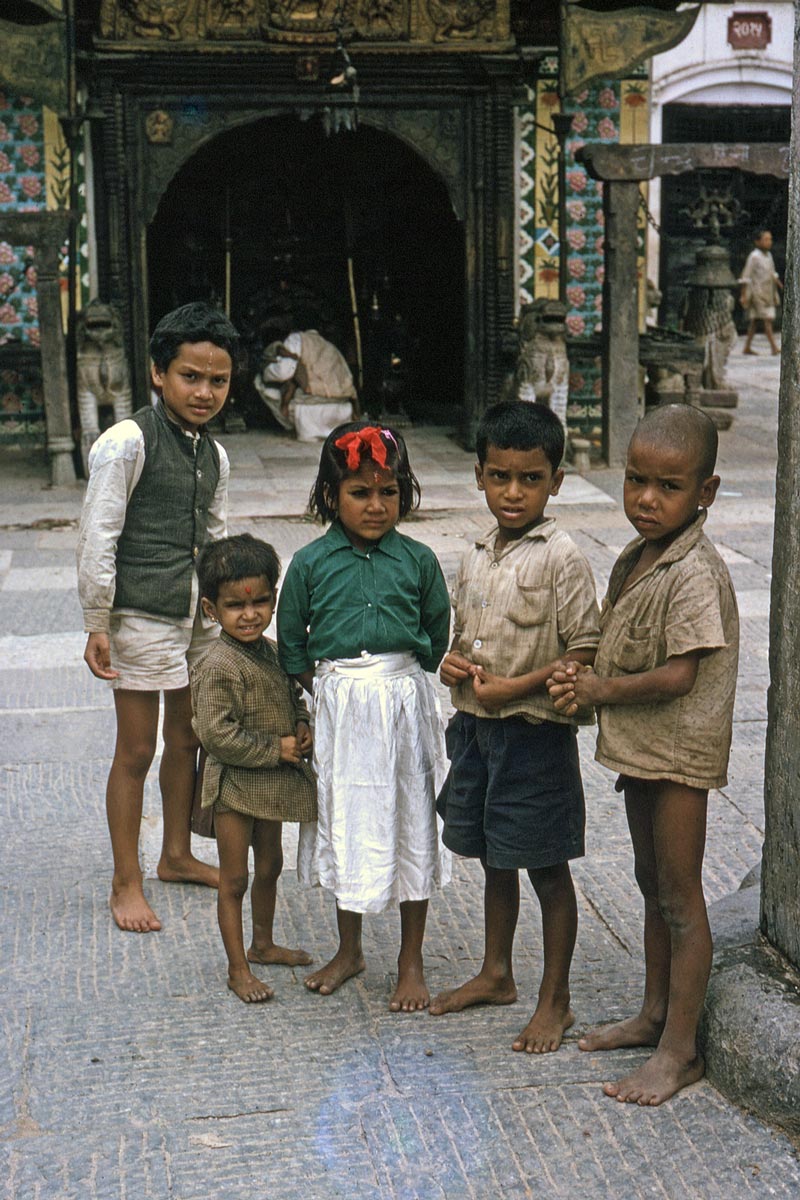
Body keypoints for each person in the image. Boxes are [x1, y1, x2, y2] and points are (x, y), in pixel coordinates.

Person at [547, 403, 739, 1106]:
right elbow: (617, 638)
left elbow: (678, 676)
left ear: (705, 494)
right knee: (651, 882)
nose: (647, 500)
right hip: (643, 748)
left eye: (668, 487)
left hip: (680, 752)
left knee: (682, 898)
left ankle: (679, 1051)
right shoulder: (639, 554)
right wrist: (578, 668)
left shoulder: (693, 570)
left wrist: (598, 689)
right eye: (635, 481)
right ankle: (655, 1013)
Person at [429, 401, 600, 1053]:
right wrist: (450, 663)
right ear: (479, 475)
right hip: (476, 732)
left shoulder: (562, 558)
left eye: (530, 478)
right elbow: (462, 634)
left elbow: (584, 651)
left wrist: (518, 686)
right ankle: (496, 973)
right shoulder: (476, 552)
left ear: (556, 480)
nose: (513, 492)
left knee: (545, 867)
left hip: (534, 737)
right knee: (492, 856)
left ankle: (555, 1002)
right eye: (500, 476)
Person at [77, 301, 239, 934]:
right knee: (137, 749)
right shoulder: (126, 442)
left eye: (217, 380)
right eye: (189, 376)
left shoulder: (215, 456)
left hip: (195, 616)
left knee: (189, 737)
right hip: (140, 613)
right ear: (156, 374)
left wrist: (226, 619)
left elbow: (218, 537)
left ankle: (176, 854)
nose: (203, 392)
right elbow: (99, 535)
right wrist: (97, 619)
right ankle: (127, 880)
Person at [277, 422, 451, 1011]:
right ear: (331, 496)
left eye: (389, 492)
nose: (376, 505)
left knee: (410, 818)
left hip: (402, 705)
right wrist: (331, 695)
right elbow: (293, 646)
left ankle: (410, 958)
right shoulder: (308, 563)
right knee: (347, 818)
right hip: (339, 709)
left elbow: (435, 635)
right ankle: (349, 949)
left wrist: (391, 682)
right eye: (359, 492)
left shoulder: (420, 560)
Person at [192, 534, 317, 1003]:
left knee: (271, 863)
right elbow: (215, 734)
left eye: (261, 602)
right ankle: (237, 967)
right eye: (234, 606)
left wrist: (301, 724)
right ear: (211, 610)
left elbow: (292, 696)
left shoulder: (271, 651)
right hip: (234, 788)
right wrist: (275, 748)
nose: (249, 615)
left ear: (273, 599)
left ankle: (262, 943)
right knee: (235, 878)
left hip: (270, 783)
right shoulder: (218, 665)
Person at [253, 330, 357, 441]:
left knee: (259, 382)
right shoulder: (330, 346)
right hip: (343, 411)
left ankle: (290, 426)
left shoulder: (296, 339)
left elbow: (283, 372)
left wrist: (265, 374)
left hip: (311, 411)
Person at [739, 229, 782, 355]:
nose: (769, 242)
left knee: (755, 321)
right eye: (766, 239)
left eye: (770, 239)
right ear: (758, 242)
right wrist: (743, 295)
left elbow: (772, 273)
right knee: (767, 319)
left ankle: (747, 346)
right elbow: (746, 276)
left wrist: (779, 285)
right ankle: (774, 347)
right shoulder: (754, 256)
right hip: (757, 292)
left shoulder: (769, 256)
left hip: (768, 291)